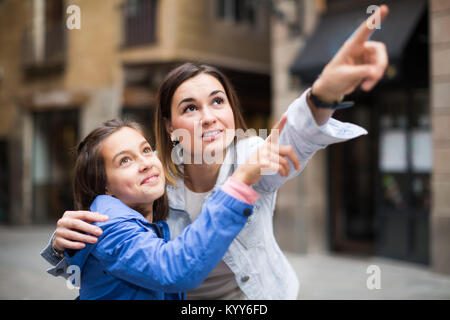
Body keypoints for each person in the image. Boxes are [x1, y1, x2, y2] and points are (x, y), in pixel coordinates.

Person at [41, 6, 390, 299]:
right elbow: (123, 250)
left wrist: (324, 93)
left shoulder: (249, 157)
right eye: (190, 108)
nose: (209, 117)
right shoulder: (156, 178)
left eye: (217, 101)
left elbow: (293, 140)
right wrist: (63, 245)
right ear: (168, 125)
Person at [62, 117, 293, 299]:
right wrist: (239, 183)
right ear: (105, 185)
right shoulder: (109, 226)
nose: (145, 163)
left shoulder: (139, 212)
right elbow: (174, 270)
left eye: (145, 150)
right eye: (125, 160)